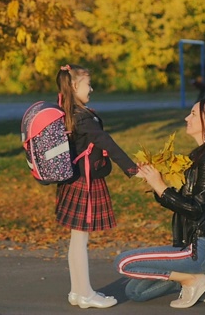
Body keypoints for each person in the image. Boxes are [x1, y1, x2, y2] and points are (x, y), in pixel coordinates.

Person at [114, 97, 205, 308]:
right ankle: (196, 279)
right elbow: (180, 202)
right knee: (134, 291)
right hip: (188, 244)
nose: (186, 117)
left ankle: (194, 279)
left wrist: (160, 186)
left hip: (201, 247)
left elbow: (196, 210)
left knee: (123, 263)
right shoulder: (198, 157)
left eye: (193, 114)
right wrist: (155, 182)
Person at [55, 64, 139, 309]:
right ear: (74, 86)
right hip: (85, 182)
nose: (91, 88)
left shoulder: (70, 111)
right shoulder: (83, 117)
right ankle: (86, 294)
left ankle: (77, 291)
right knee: (81, 241)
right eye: (87, 84)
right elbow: (107, 143)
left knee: (76, 240)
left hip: (73, 180)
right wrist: (132, 169)